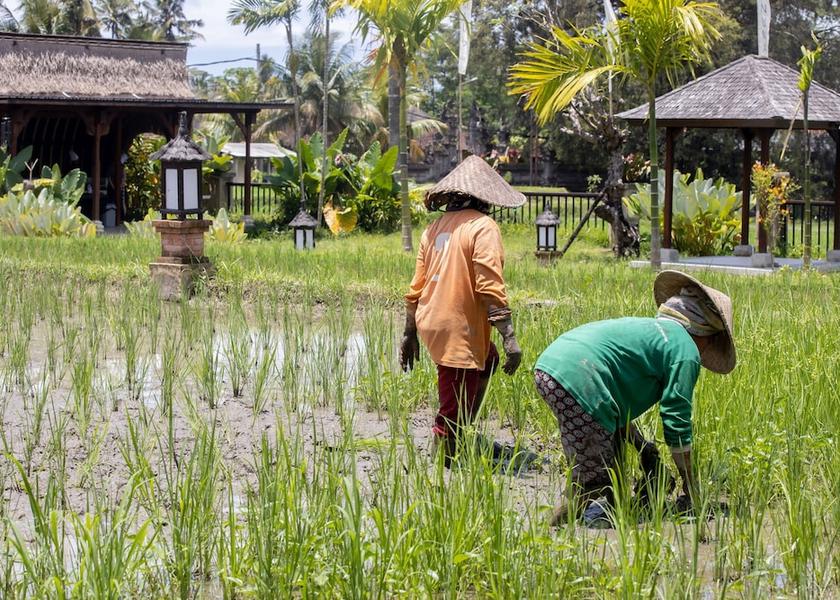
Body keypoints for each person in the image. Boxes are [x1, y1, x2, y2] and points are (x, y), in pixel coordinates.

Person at [534, 270, 736, 525]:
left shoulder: (651, 332)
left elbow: (612, 403)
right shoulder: (685, 350)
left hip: (555, 366)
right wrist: (690, 482)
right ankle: (551, 531)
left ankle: (609, 515)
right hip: (578, 378)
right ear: (706, 334)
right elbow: (676, 417)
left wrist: (642, 446)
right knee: (594, 480)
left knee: (611, 464)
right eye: (711, 343)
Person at [400, 156, 525, 463]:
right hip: (458, 326)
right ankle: (446, 455)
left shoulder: (434, 227)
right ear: (485, 198)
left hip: (430, 319)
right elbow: (489, 285)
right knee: (453, 400)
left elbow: (416, 285)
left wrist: (409, 334)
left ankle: (461, 431)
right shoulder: (483, 226)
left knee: (487, 361)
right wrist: (510, 338)